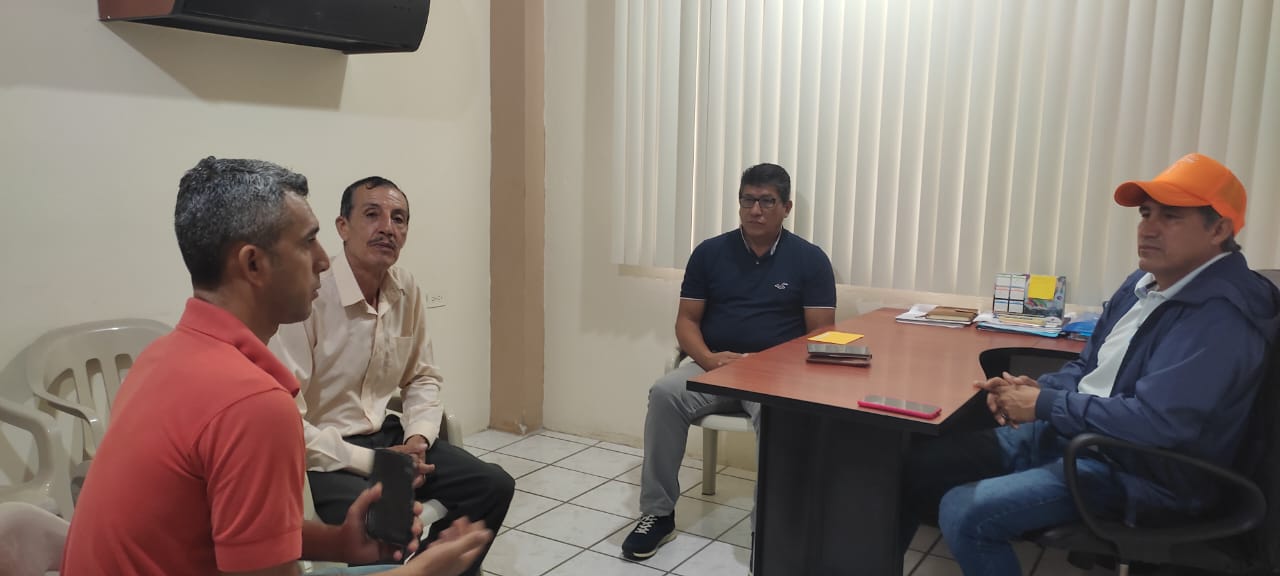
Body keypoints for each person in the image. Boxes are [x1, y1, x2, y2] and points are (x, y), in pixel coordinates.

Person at [61, 157, 492, 576]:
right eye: (308, 242)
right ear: (254, 264)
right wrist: (426, 572)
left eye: (399, 218)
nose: (323, 260)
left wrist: (338, 543)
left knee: (485, 483)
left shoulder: (159, 356)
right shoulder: (255, 405)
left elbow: (223, 529)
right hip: (334, 452)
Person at [899, 152, 1280, 576]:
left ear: (1219, 230)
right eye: (1146, 214)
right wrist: (1037, 389)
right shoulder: (1143, 283)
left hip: (1140, 473)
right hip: (1082, 437)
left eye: (1171, 216)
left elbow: (1159, 423)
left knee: (965, 512)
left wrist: (1044, 405)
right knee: (915, 467)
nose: (1148, 228)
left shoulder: (1222, 316)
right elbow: (1090, 367)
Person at [271, 176, 514, 576]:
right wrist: (377, 462)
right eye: (372, 214)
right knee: (386, 525)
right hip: (325, 455)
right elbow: (288, 421)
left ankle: (438, 569)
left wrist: (417, 439)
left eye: (399, 219)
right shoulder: (309, 296)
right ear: (343, 226)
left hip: (389, 439)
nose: (387, 228)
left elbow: (422, 377)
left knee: (492, 485)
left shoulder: (405, 288)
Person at [621, 163, 837, 561]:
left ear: (786, 207)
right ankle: (658, 513)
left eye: (766, 201)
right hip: (714, 365)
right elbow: (686, 321)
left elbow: (820, 335)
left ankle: (766, 530)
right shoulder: (710, 253)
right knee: (664, 393)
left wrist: (769, 365)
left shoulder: (810, 260)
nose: (755, 210)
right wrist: (707, 359)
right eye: (747, 200)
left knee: (780, 417)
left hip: (774, 375)